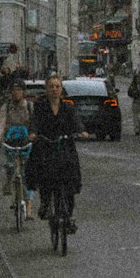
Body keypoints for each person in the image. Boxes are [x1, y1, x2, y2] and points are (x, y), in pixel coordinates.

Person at [26, 73, 90, 233]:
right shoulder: (40, 107)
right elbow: (35, 122)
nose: (54, 89)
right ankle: (45, 203)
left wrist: (81, 131)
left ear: (61, 89)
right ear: (46, 89)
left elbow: (76, 120)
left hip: (65, 146)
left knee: (69, 179)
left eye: (57, 86)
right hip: (46, 145)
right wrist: (33, 133)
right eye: (51, 86)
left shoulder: (67, 107)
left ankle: (69, 216)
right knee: (45, 174)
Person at [0, 76, 35, 219]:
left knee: (26, 173)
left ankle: (28, 207)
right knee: (10, 165)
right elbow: (1, 123)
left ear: (23, 92)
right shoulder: (6, 106)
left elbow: (34, 124)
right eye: (13, 90)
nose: (16, 93)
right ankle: (9, 181)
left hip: (26, 142)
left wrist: (34, 136)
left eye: (19, 90)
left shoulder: (29, 106)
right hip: (10, 141)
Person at [128, 71, 140, 136]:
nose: (138, 80)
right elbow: (129, 93)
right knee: (136, 116)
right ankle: (136, 130)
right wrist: (134, 94)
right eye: (137, 78)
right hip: (136, 102)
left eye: (139, 78)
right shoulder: (133, 86)